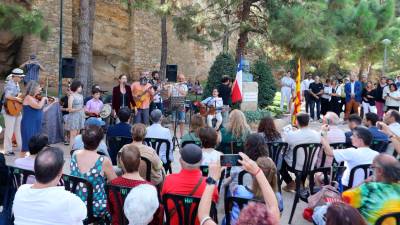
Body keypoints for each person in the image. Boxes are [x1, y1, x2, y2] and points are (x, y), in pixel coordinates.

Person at [198, 154, 280, 225]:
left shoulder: (238, 190)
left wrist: (212, 178)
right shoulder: (277, 200)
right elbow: (272, 206)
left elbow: (203, 215)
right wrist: (258, 172)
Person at [13, 147, 87, 225]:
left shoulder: (21, 191)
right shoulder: (69, 200)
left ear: (34, 169)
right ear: (60, 173)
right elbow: (83, 215)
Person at [161, 144, 219, 225]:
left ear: (180, 161)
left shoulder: (169, 180)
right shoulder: (210, 185)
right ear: (201, 161)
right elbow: (214, 203)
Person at [70, 125, 117, 218]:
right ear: (100, 142)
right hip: (95, 207)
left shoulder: (75, 154)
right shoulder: (103, 160)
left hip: (75, 203)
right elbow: (114, 182)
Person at [109, 144, 162, 225]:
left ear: (121, 162)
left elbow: (110, 209)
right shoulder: (150, 188)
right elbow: (157, 215)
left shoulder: (112, 184)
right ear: (140, 161)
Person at [342, 153, 400, 225]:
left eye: (372, 167)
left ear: (379, 171)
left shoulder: (370, 188)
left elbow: (344, 199)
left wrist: (364, 182)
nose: (372, 170)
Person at [226, 157, 284, 224]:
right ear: (274, 176)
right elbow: (277, 216)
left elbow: (229, 207)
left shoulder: (238, 190)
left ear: (251, 173)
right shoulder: (276, 197)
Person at [281, 113, 321, 192]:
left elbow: (284, 150)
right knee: (304, 158)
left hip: (295, 165)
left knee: (280, 161)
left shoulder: (291, 135)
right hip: (311, 165)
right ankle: (301, 182)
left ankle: (290, 182)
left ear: (296, 122)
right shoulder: (317, 134)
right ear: (308, 122)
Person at [20, 81, 47, 157]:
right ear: (34, 88)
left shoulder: (36, 99)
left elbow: (42, 110)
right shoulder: (28, 98)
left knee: (36, 145)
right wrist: (44, 99)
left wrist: (53, 104)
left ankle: (33, 164)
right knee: (26, 146)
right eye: (38, 87)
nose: (40, 88)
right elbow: (38, 106)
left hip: (36, 124)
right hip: (29, 124)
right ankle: (19, 167)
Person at [2, 68, 24, 156]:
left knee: (18, 130)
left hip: (16, 109)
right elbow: (7, 96)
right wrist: (17, 98)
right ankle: (7, 150)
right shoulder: (10, 84)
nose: (21, 78)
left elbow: (16, 95)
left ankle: (21, 147)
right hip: (9, 111)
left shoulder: (16, 83)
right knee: (9, 131)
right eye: (20, 77)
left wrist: (19, 97)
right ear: (15, 76)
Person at [66, 80, 85, 147]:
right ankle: (72, 151)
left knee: (77, 135)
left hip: (80, 116)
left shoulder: (81, 96)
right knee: (73, 136)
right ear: (76, 87)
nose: (81, 88)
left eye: (81, 87)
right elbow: (70, 109)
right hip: (74, 117)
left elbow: (82, 106)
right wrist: (79, 109)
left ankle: (76, 150)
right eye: (79, 87)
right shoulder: (71, 96)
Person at [169, 73, 188, 138]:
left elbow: (184, 94)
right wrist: (169, 87)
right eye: (180, 78)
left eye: (182, 79)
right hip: (174, 102)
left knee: (182, 120)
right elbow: (169, 95)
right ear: (177, 79)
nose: (181, 80)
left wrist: (176, 87)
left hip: (181, 102)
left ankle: (181, 135)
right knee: (173, 119)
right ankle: (174, 135)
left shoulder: (185, 86)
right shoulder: (173, 85)